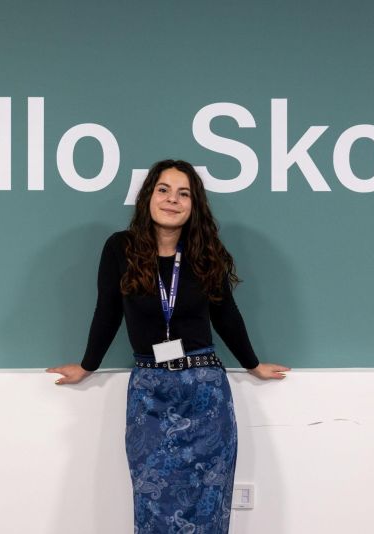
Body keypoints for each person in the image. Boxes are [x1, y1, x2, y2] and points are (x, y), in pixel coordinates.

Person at [47, 159, 290, 534]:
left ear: (194, 204)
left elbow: (226, 313)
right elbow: (107, 310)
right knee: (152, 507)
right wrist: (87, 365)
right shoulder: (120, 248)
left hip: (205, 393)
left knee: (208, 509)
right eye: (163, 190)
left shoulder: (205, 251)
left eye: (183, 193)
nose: (172, 199)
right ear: (148, 196)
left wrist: (252, 363)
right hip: (149, 393)